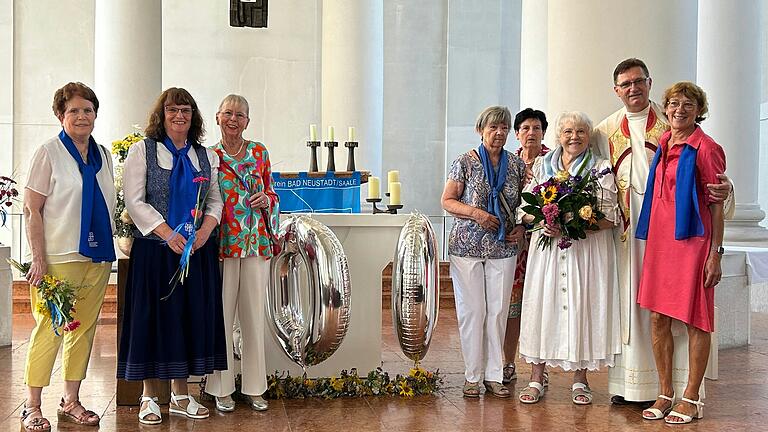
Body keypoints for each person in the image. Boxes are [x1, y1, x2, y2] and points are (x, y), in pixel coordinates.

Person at [592, 58, 733, 405]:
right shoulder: (603, 131)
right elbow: (582, 167)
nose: (633, 89)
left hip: (683, 236)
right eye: (625, 84)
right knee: (644, 311)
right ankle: (634, 386)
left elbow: (714, 185)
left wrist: (727, 189)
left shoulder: (673, 126)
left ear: (649, 83)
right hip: (632, 234)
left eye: (639, 81)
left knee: (688, 313)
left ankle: (688, 391)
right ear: (616, 90)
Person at [117, 87, 227, 425]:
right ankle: (150, 397)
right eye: (172, 110)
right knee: (154, 320)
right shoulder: (142, 151)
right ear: (161, 115)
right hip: (156, 251)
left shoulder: (206, 157)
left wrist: (204, 232)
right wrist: (167, 233)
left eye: (186, 110)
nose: (179, 116)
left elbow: (215, 201)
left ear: (194, 117)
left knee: (187, 320)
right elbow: (135, 201)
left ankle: (181, 395)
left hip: (196, 251)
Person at [21, 82, 116, 431]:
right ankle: (31, 405)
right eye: (73, 110)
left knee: (84, 330)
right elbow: (32, 209)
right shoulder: (48, 152)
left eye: (87, 110)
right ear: (61, 115)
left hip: (97, 257)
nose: (81, 116)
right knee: (50, 328)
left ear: (95, 115)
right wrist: (38, 258)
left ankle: (71, 401)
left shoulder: (103, 154)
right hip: (58, 256)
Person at [635, 82, 725, 424]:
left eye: (688, 104)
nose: (679, 110)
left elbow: (717, 205)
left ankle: (691, 397)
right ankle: (664, 391)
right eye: (673, 104)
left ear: (698, 110)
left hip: (693, 242)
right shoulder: (663, 141)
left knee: (695, 319)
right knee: (658, 317)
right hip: (661, 242)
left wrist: (716, 252)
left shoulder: (706, 147)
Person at [517, 111, 621, 405]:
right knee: (543, 306)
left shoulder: (600, 168)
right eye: (567, 132)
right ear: (558, 136)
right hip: (547, 250)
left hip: (584, 252)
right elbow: (525, 207)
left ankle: (580, 380)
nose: (574, 137)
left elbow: (610, 215)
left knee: (581, 305)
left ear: (589, 136)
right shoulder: (542, 165)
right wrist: (542, 221)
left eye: (580, 132)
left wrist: (575, 222)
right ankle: (537, 377)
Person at [441, 106, 526, 398]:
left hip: (503, 246)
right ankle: (472, 376)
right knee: (472, 311)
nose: (499, 133)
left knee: (499, 311)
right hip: (467, 246)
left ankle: (494, 375)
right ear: (481, 130)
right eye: (493, 128)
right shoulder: (464, 161)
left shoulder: (516, 165)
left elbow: (524, 206)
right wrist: (476, 213)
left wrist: (524, 229)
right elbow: (448, 201)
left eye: (504, 127)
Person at [204, 94, 279, 412]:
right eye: (228, 113)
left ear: (248, 121)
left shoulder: (259, 152)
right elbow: (204, 200)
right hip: (222, 246)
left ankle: (254, 387)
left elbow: (273, 193)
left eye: (240, 115)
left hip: (255, 244)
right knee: (220, 318)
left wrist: (267, 200)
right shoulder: (208, 156)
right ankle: (220, 388)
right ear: (218, 117)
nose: (234, 119)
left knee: (253, 317)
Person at [502, 108, 549, 385]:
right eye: (526, 128)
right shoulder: (507, 163)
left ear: (544, 131)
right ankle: (508, 362)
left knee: (543, 305)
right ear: (517, 134)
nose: (531, 133)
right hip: (514, 246)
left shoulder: (554, 161)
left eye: (537, 128)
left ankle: (539, 369)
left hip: (545, 242)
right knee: (513, 307)